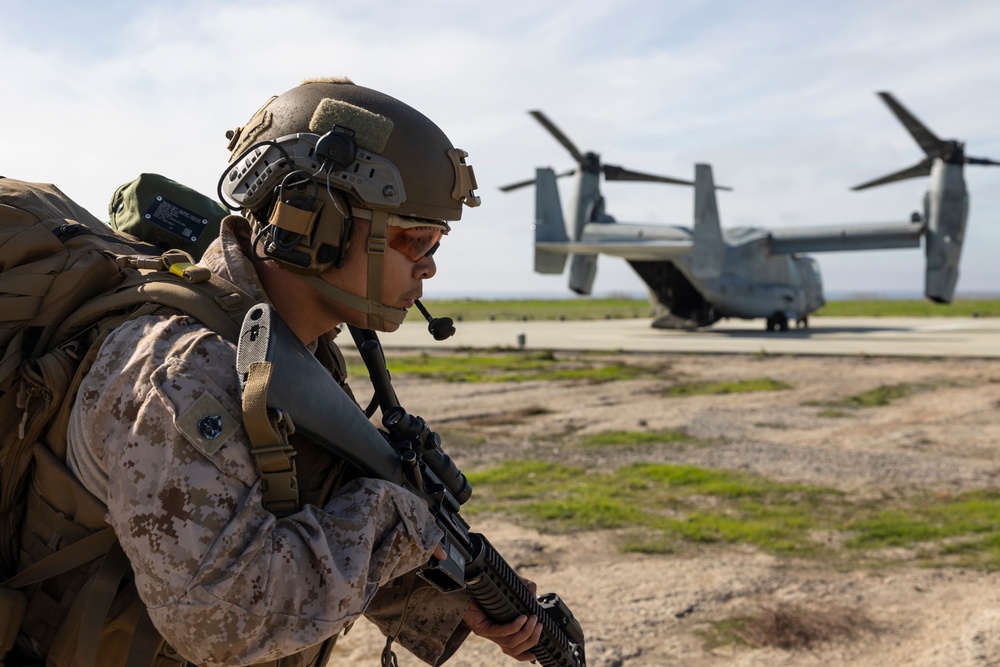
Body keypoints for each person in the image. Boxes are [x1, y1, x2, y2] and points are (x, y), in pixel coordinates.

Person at [61, 77, 542, 666]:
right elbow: (220, 617)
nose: (431, 267)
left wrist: (446, 602)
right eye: (415, 238)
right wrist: (399, 519)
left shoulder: (294, 350)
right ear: (314, 223)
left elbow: (292, 521)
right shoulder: (185, 370)